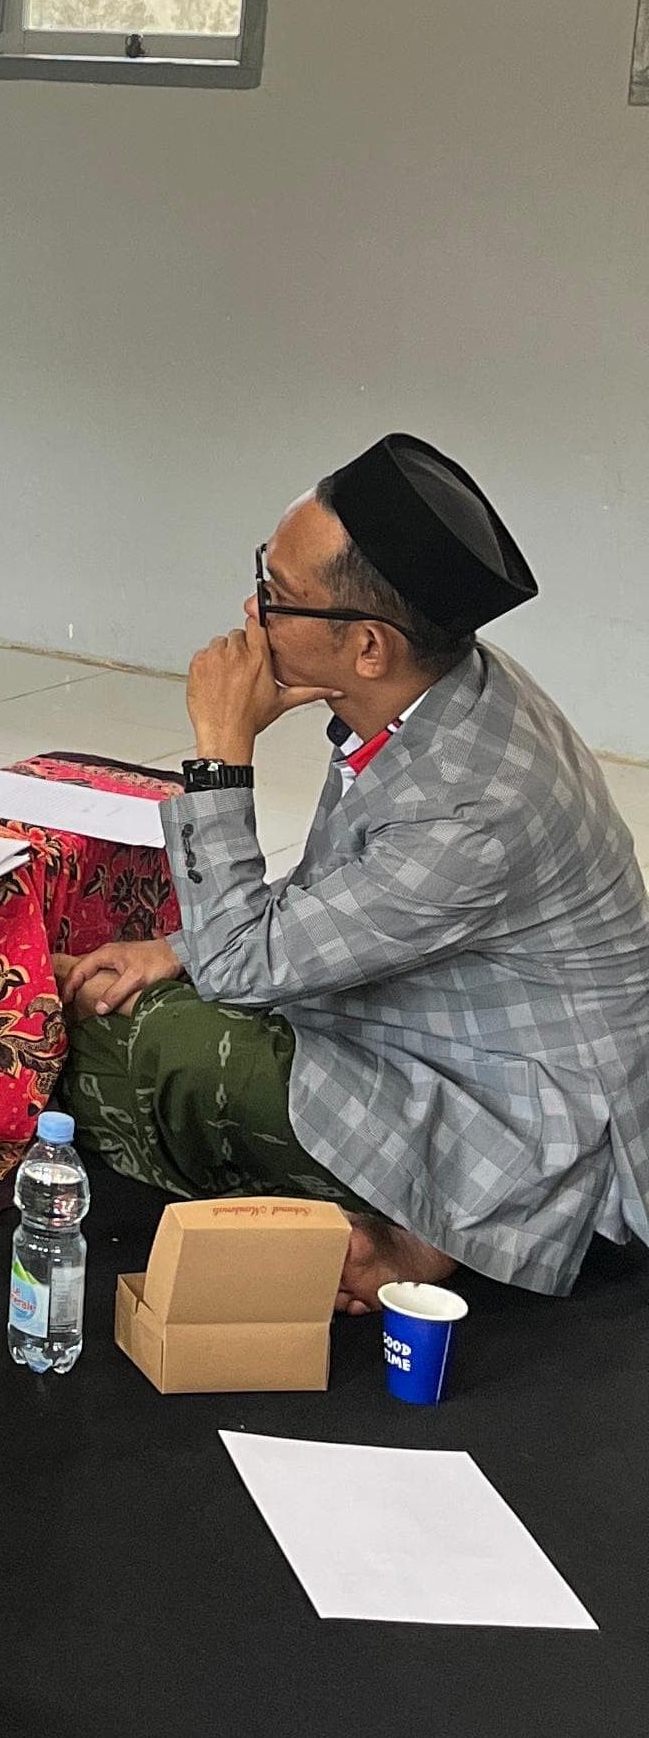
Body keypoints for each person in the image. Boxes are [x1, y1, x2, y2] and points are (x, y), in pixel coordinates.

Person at [56, 434, 649, 1312]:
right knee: (157, 974)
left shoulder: (472, 808)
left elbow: (242, 968)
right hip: (451, 1045)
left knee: (154, 1042)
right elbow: (340, 892)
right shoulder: (443, 684)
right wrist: (179, 947)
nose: (251, 611)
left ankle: (447, 1228)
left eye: (276, 594)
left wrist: (221, 750)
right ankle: (409, 1224)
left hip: (530, 1134)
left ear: (369, 647)